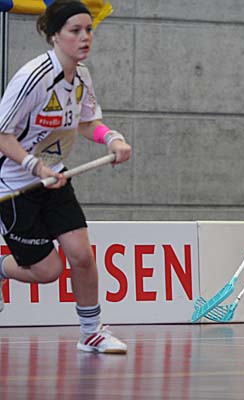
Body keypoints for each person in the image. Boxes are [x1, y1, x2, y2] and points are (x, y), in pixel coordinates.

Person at [0, 0, 132, 353]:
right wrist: (35, 167)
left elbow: (87, 122)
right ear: (55, 36)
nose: (85, 37)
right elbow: (2, 135)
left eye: (88, 29)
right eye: (75, 31)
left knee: (82, 256)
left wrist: (112, 138)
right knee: (48, 271)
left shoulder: (82, 76)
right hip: (14, 186)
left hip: (55, 179)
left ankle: (91, 332)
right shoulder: (33, 77)